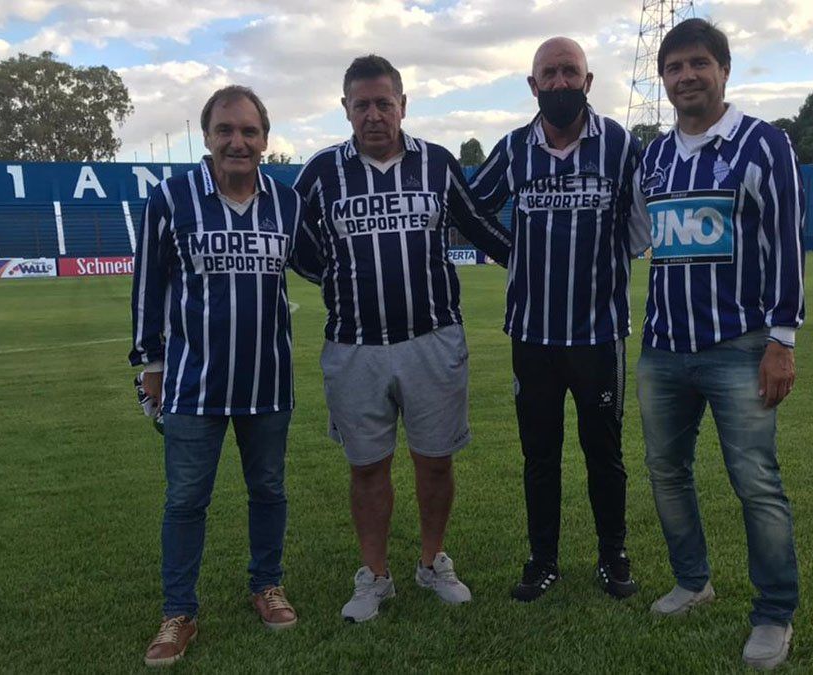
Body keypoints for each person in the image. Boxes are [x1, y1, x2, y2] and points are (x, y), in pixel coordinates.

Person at [293, 55, 511, 623]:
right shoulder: (321, 173)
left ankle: (432, 561)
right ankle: (375, 575)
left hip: (432, 339)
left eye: (383, 103)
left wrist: (534, 260)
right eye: (361, 104)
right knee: (367, 467)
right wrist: (335, 278)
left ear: (403, 106)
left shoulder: (436, 163)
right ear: (345, 109)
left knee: (435, 461)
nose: (373, 114)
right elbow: (292, 239)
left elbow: (479, 226)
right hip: (354, 345)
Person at [631, 19, 805, 670]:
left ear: (724, 70)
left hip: (740, 345)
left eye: (698, 63)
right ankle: (692, 579)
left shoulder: (763, 143)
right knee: (667, 472)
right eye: (674, 67)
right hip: (663, 347)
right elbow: (638, 239)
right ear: (663, 79)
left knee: (756, 482)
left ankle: (774, 613)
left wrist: (782, 339)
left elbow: (788, 243)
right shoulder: (654, 156)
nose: (686, 77)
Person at [130, 86, 321, 666]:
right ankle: (179, 612)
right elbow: (148, 286)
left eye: (249, 131)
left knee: (269, 490)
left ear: (265, 139)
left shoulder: (287, 203)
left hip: (268, 381)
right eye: (225, 130)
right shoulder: (172, 198)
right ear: (207, 136)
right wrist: (150, 365)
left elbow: (324, 267)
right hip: (194, 383)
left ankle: (267, 585)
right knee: (186, 500)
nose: (238, 141)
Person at [469, 37, 645, 602]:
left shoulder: (619, 144)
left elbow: (640, 224)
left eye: (571, 72)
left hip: (599, 334)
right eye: (550, 73)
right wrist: (511, 251)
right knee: (539, 456)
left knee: (605, 453)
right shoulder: (514, 148)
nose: (561, 82)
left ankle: (612, 555)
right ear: (533, 85)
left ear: (588, 82)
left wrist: (612, 256)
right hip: (533, 334)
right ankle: (542, 559)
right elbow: (469, 209)